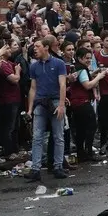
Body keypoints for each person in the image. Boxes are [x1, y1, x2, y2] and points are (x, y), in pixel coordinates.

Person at [25, 38, 67, 182]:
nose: (34, 49)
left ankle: (58, 166)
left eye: (37, 46)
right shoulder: (34, 66)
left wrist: (61, 105)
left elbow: (62, 85)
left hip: (55, 101)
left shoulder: (59, 63)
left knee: (58, 136)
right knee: (37, 137)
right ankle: (35, 169)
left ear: (46, 47)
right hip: (40, 103)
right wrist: (30, 109)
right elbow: (33, 88)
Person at [67, 48, 105, 163]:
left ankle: (81, 153)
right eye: (86, 58)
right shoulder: (82, 69)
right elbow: (87, 85)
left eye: (90, 58)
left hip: (75, 103)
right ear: (80, 58)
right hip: (82, 102)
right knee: (91, 126)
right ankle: (88, 152)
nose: (89, 60)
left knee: (80, 129)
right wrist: (99, 77)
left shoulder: (77, 68)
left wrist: (93, 74)